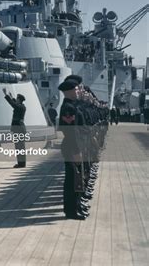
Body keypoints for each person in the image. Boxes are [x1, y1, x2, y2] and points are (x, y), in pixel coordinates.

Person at [58, 78, 87, 220]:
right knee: (71, 180)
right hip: (71, 147)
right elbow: (71, 132)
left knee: (75, 179)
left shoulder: (71, 106)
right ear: (68, 92)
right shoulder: (68, 108)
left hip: (74, 146)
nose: (77, 91)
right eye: (75, 89)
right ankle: (71, 211)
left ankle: (74, 208)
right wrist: (76, 151)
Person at [3, 88, 27, 168]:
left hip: (19, 129)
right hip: (18, 128)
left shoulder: (20, 107)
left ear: (19, 100)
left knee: (20, 147)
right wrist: (11, 96)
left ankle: (21, 163)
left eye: (17, 99)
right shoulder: (21, 106)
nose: (16, 100)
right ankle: (21, 163)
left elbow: (13, 104)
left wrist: (6, 95)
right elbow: (14, 103)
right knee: (19, 147)